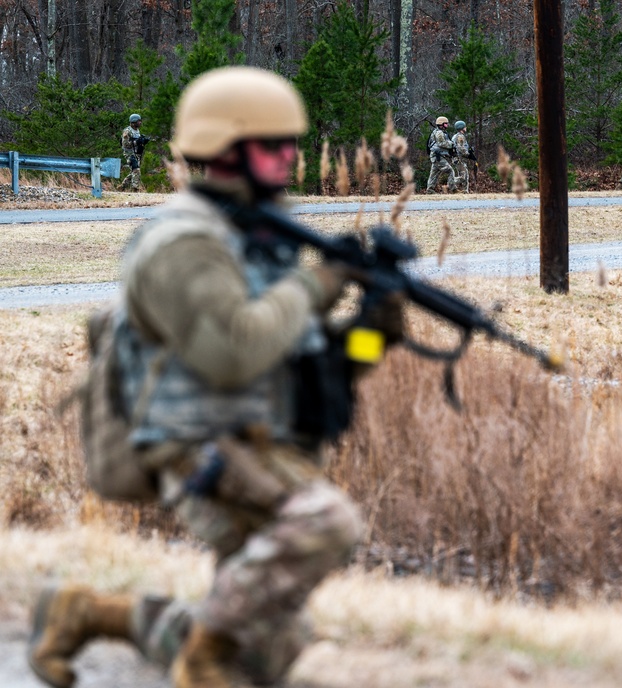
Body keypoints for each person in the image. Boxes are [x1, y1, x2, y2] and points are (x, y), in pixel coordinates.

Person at [28, 66, 401, 688]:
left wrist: (373, 328)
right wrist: (319, 283)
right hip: (194, 440)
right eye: (273, 144)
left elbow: (322, 362)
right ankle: (200, 660)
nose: (290, 156)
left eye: (292, 143)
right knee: (324, 523)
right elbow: (231, 352)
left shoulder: (261, 238)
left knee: (271, 646)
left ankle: (90, 614)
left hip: (259, 441)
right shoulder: (183, 242)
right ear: (226, 150)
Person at [426, 115, 456, 193]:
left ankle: (430, 190)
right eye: (445, 124)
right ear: (441, 124)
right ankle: (453, 189)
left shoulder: (440, 132)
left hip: (436, 156)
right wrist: (452, 144)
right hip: (437, 156)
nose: (447, 125)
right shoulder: (439, 133)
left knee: (434, 174)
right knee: (450, 171)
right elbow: (441, 143)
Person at [120, 113, 147, 192]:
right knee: (136, 170)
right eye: (138, 121)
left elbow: (137, 143)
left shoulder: (137, 130)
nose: (140, 122)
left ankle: (122, 186)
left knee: (134, 172)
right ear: (133, 122)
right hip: (129, 153)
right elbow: (125, 144)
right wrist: (137, 142)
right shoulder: (127, 131)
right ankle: (135, 189)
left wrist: (143, 141)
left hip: (136, 153)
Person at [450, 120, 471, 193]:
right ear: (462, 127)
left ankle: (465, 191)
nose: (466, 128)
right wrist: (468, 154)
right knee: (464, 176)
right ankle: (450, 183)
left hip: (457, 159)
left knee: (464, 175)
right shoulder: (460, 137)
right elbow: (461, 148)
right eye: (465, 126)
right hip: (459, 159)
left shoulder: (455, 136)